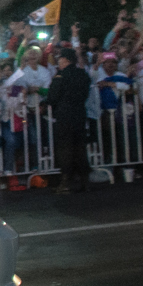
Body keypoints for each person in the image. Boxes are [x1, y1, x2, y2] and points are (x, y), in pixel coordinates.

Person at [48, 47, 92, 192]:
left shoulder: (60, 76)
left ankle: (65, 180)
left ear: (65, 60)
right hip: (79, 113)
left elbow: (52, 97)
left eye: (60, 59)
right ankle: (85, 180)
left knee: (65, 148)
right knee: (80, 147)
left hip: (64, 114)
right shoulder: (82, 74)